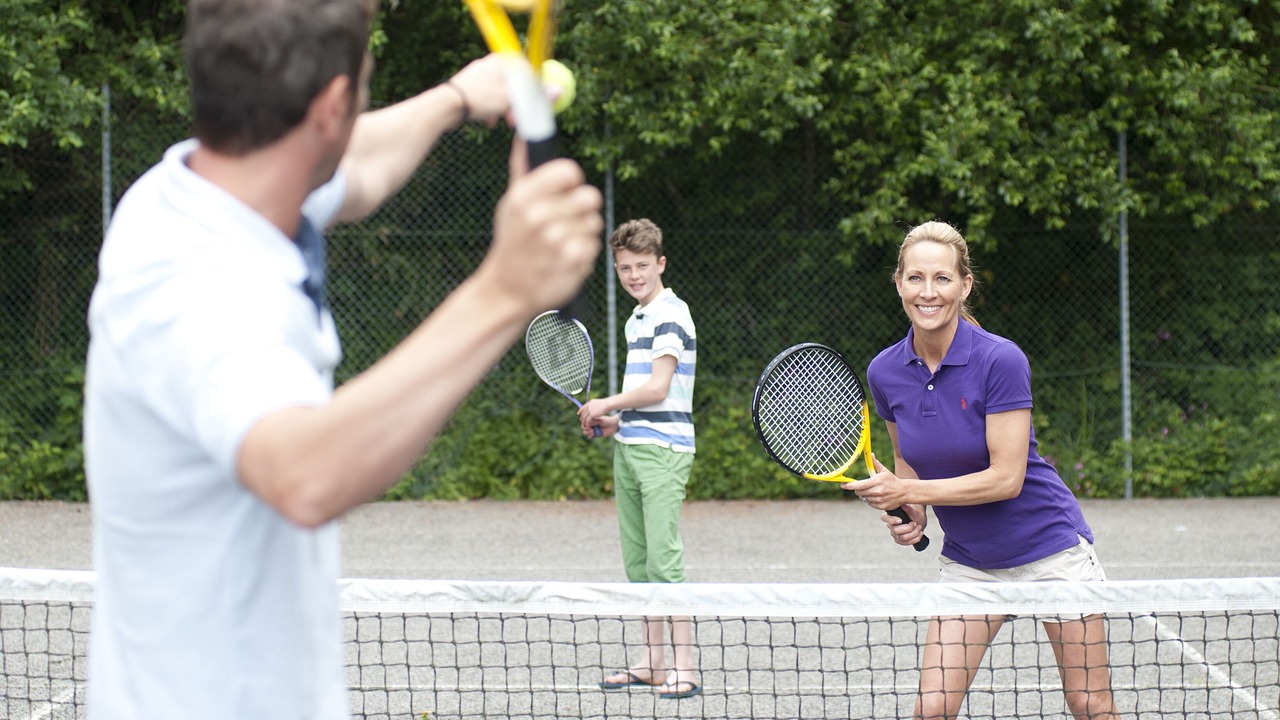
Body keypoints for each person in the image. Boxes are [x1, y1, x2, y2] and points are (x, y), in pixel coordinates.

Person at [81, 0, 602, 717]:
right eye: (361, 84)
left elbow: (357, 160)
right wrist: (506, 291)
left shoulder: (195, 193)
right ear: (331, 104)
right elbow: (303, 473)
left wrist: (457, 98)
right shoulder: (196, 286)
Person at [843, 220, 1120, 720]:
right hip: (971, 565)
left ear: (965, 284)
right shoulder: (884, 371)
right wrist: (915, 508)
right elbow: (907, 456)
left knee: (1090, 703)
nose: (929, 292)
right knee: (931, 711)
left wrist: (907, 486)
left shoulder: (1000, 359)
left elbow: (1005, 478)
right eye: (916, 278)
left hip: (1051, 553)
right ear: (899, 283)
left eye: (942, 278)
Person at [577, 219, 700, 700]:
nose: (634, 275)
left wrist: (606, 404)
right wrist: (615, 423)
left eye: (642, 266)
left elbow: (658, 388)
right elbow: (642, 402)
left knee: (665, 561)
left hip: (664, 454)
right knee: (639, 562)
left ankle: (684, 668)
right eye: (625, 267)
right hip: (630, 448)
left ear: (660, 264)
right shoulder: (636, 318)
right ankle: (651, 663)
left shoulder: (673, 313)